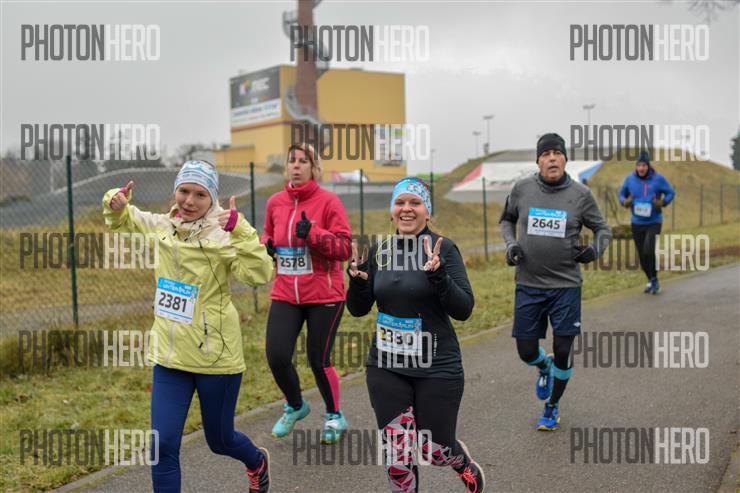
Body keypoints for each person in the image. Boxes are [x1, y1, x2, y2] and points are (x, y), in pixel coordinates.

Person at [102, 160, 274, 493]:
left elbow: (259, 274)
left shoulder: (224, 234)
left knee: (220, 440)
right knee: (162, 445)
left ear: (212, 199)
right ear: (175, 191)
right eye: (184, 191)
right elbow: (124, 219)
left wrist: (241, 231)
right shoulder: (163, 226)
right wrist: (115, 200)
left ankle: (256, 461)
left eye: (200, 194)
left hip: (216, 359)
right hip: (170, 357)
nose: (189, 201)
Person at [346, 177, 485, 493]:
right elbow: (357, 309)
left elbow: (464, 309)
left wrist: (439, 276)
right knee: (398, 456)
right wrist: (356, 282)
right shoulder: (379, 251)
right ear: (391, 210)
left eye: (415, 203)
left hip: (437, 365)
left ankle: (460, 460)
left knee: (434, 450)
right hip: (386, 365)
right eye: (400, 202)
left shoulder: (443, 249)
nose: (406, 209)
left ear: (427, 211)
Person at [499, 133, 612, 431]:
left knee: (563, 349)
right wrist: (511, 245)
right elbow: (506, 220)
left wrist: (594, 251)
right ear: (538, 161)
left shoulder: (581, 195)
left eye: (557, 153)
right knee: (526, 351)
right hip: (529, 283)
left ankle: (552, 405)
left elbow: (603, 230)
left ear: (565, 159)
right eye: (545, 154)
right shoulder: (522, 189)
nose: (552, 158)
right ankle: (542, 365)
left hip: (566, 286)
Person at [262, 142, 352, 444]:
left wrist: (313, 234)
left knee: (318, 359)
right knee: (276, 356)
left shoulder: (328, 202)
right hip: (286, 292)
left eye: (303, 161)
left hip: (324, 294)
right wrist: (267, 245)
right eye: (292, 160)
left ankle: (334, 415)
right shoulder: (275, 202)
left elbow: (344, 248)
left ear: (314, 168)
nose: (296, 166)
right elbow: (268, 233)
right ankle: (296, 405)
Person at [618, 150, 675, 294]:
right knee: (642, 254)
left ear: (648, 166)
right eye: (639, 165)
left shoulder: (658, 179)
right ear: (636, 166)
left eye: (644, 165)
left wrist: (663, 202)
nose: (641, 168)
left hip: (654, 221)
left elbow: (671, 192)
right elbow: (621, 194)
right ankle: (650, 279)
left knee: (648, 249)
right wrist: (624, 201)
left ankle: (654, 279)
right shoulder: (629, 179)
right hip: (636, 222)